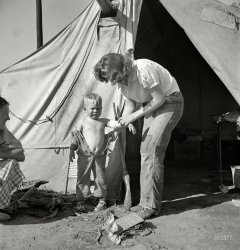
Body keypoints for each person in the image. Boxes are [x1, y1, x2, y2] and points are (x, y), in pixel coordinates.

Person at [94, 53, 184, 219]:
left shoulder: (143, 70)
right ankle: (145, 203)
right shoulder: (121, 83)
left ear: (121, 66)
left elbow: (158, 99)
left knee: (152, 150)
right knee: (145, 150)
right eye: (109, 79)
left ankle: (151, 206)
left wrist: (133, 117)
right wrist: (123, 122)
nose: (113, 81)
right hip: (152, 106)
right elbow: (130, 104)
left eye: (114, 76)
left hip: (170, 102)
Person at [69, 93, 135, 212]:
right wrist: (71, 150)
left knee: (101, 178)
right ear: (85, 109)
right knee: (83, 177)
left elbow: (115, 124)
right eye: (92, 108)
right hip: (85, 155)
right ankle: (81, 200)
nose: (96, 111)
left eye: (98, 108)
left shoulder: (103, 121)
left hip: (99, 155)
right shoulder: (82, 122)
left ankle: (101, 200)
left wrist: (127, 123)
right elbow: (75, 137)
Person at [0, 96, 25, 221]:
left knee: (11, 163)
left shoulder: (2, 130)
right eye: (5, 114)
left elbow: (20, 154)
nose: (8, 118)